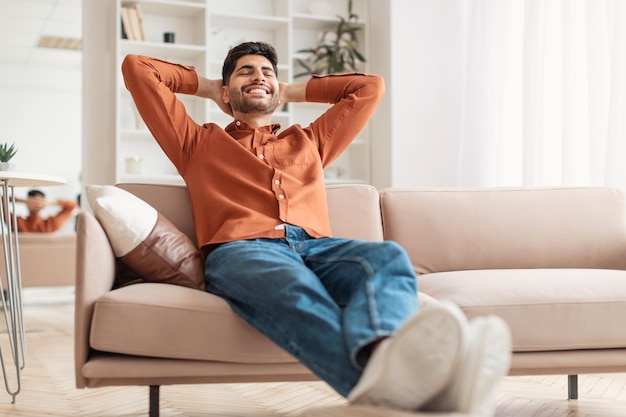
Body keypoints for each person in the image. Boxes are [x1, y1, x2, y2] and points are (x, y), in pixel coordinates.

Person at [121, 42, 511, 415]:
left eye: (267, 72)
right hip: (242, 250)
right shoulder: (195, 142)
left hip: (315, 249)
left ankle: (386, 366)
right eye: (245, 72)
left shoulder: (308, 141)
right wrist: (208, 87)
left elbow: (368, 87)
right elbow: (138, 69)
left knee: (386, 257)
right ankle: (421, 392)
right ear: (226, 90)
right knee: (293, 285)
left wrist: (286, 91)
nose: (258, 76)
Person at [13, 189, 78, 233]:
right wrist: (23, 201)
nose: (36, 203)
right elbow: (2, 202)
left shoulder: (50, 224)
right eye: (33, 201)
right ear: (27, 203)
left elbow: (73, 205)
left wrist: (49, 202)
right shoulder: (18, 223)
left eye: (40, 201)